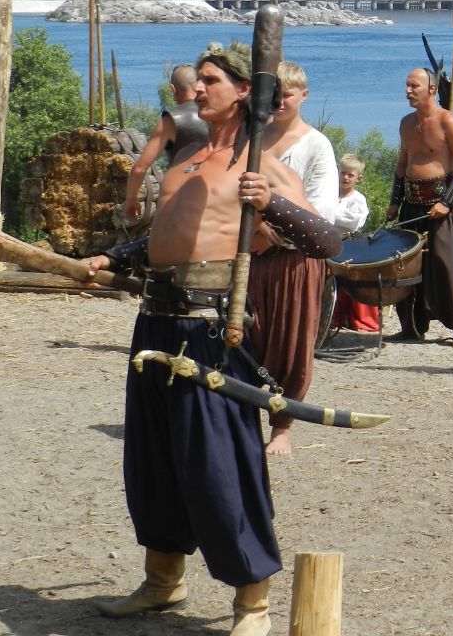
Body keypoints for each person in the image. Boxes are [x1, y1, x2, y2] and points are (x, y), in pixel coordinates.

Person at [85, 41, 341, 636]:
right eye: (196, 81)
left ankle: (253, 605)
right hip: (155, 321)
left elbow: (327, 242)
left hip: (210, 330)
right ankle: (161, 582)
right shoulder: (190, 153)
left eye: (209, 82)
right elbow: (165, 241)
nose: (196, 91)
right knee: (153, 460)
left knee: (220, 466)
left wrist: (273, 203)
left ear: (244, 91)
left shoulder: (261, 161)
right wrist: (112, 256)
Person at [247, 61, 339, 456]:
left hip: (297, 260)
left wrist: (272, 234)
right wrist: (255, 234)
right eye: (275, 92)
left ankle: (282, 426)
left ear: (304, 96)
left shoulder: (316, 145)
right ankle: (241, 417)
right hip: (248, 253)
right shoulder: (251, 140)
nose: (281, 100)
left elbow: (320, 213)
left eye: (289, 93)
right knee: (246, 337)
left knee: (291, 344)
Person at [386, 68, 453, 345]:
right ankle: (412, 328)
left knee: (448, 267)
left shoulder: (447, 121)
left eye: (414, 85)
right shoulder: (405, 123)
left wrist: (446, 202)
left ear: (432, 89)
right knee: (407, 267)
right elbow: (402, 165)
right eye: (406, 85)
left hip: (442, 206)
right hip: (412, 206)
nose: (408, 90)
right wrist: (394, 201)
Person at [123, 63, 209, 221]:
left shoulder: (171, 120)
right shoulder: (218, 115)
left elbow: (140, 169)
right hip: (215, 197)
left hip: (182, 201)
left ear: (173, 89)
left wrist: (130, 201)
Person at [328, 153, 381, 333]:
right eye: (343, 173)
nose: (345, 177)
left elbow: (353, 222)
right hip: (328, 245)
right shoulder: (329, 195)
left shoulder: (358, 200)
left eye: (350, 174)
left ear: (358, 177)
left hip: (348, 246)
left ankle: (358, 320)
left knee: (351, 283)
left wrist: (328, 215)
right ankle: (332, 317)